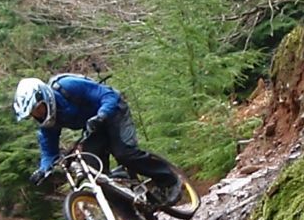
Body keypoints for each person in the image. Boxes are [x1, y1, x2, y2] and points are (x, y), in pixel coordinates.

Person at [13, 74, 182, 206]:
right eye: (33, 114)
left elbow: (108, 94)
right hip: (93, 128)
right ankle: (130, 215)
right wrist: (43, 170)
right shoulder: (48, 124)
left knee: (125, 154)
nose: (38, 114)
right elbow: (49, 150)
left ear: (44, 96)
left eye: (38, 109)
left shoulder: (67, 86)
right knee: (95, 175)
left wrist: (101, 115)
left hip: (114, 112)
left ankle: (169, 180)